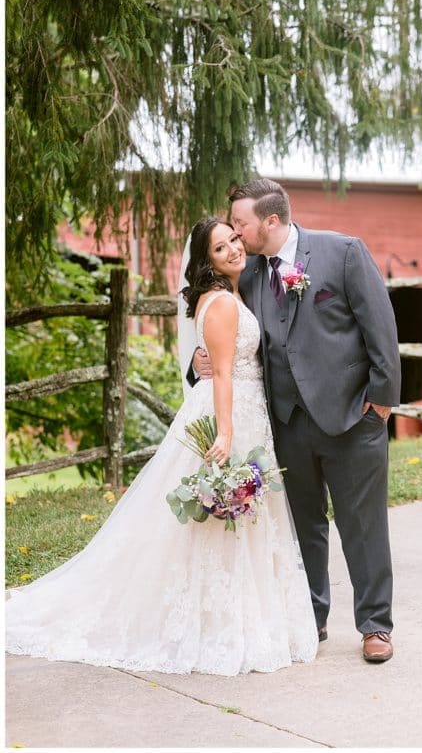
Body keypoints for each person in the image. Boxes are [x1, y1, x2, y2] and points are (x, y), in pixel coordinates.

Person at [6, 217, 317, 675]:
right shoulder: (224, 304)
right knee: (216, 517)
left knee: (220, 522)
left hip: (242, 412)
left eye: (234, 238)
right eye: (220, 247)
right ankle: (214, 625)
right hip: (228, 414)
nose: (233, 248)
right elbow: (226, 373)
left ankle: (225, 618)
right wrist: (227, 434)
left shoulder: (228, 295)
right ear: (205, 261)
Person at [189, 178, 400, 663]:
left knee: (363, 525)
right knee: (303, 526)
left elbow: (380, 327)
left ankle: (375, 626)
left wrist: (382, 403)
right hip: (286, 424)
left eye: (240, 224)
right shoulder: (248, 275)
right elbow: (220, 331)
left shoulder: (342, 252)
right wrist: (197, 362)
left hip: (352, 418)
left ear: (270, 220)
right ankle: (312, 619)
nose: (236, 235)